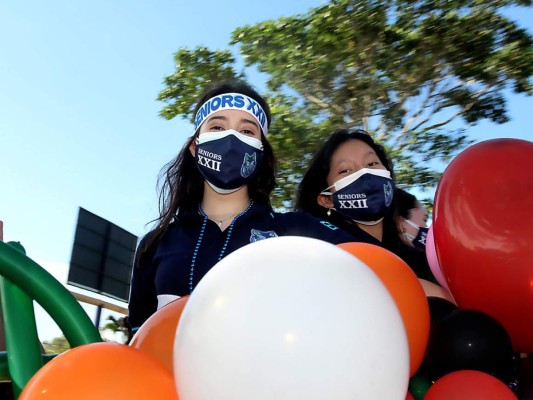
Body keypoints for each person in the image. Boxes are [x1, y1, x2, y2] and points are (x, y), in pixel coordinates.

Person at [127, 80, 367, 333]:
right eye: (218, 126)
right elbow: (138, 338)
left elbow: (380, 269)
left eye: (247, 131)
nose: (231, 138)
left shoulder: (302, 231)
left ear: (261, 151)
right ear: (195, 147)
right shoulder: (154, 245)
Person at [295, 128, 434, 281]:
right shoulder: (323, 250)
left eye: (372, 163)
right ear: (327, 199)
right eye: (345, 170)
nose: (365, 173)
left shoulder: (418, 261)